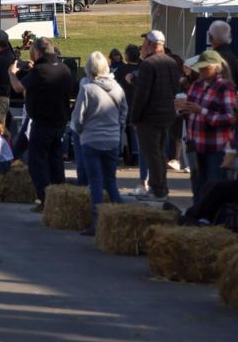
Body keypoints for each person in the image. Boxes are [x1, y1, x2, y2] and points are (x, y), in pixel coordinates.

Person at [10, 38, 76, 210]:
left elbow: (18, 87)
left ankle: (45, 198)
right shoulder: (64, 69)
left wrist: (12, 72)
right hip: (59, 122)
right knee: (55, 162)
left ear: (38, 53)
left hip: (42, 122)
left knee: (37, 163)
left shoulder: (40, 70)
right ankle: (60, 195)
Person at [69, 51, 127, 235]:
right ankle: (121, 217)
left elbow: (77, 117)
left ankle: (98, 221)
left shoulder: (87, 89)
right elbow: (124, 113)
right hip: (112, 139)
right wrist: (117, 128)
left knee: (95, 181)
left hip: (92, 139)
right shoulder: (117, 88)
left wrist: (81, 131)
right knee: (111, 181)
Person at [128, 30, 181, 200]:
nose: (142, 47)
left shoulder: (148, 64)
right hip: (167, 115)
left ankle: (157, 189)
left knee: (152, 153)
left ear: (150, 44)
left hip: (149, 117)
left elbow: (141, 95)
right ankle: (161, 187)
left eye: (144, 44)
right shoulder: (171, 62)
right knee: (160, 153)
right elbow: (173, 88)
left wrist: (134, 117)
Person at [178, 49, 236, 199]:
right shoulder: (196, 84)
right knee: (198, 187)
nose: (202, 70)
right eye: (200, 67)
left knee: (214, 187)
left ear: (216, 68)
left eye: (205, 67)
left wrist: (201, 111)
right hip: (196, 145)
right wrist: (181, 110)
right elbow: (190, 111)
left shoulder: (225, 87)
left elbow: (230, 117)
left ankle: (212, 219)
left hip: (216, 147)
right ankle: (198, 217)